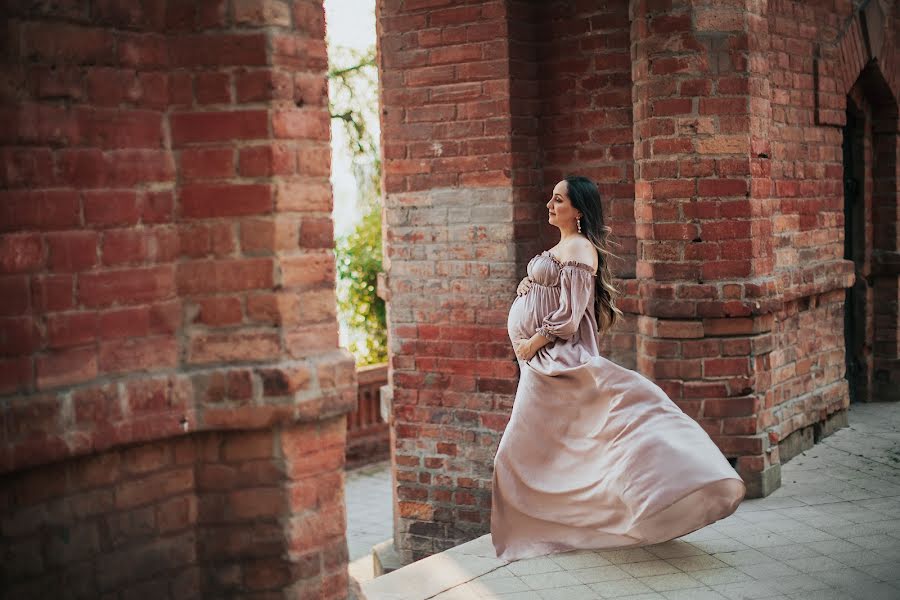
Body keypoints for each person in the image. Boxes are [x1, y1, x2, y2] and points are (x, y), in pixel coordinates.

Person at [492, 175, 746, 561]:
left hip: (553, 362)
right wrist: (527, 286)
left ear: (578, 209)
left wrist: (533, 340)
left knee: (539, 448)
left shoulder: (580, 249)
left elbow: (570, 318)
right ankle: (561, 524)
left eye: (558, 200)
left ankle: (663, 489)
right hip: (539, 365)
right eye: (551, 197)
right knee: (560, 446)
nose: (550, 204)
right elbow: (553, 290)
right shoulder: (566, 245)